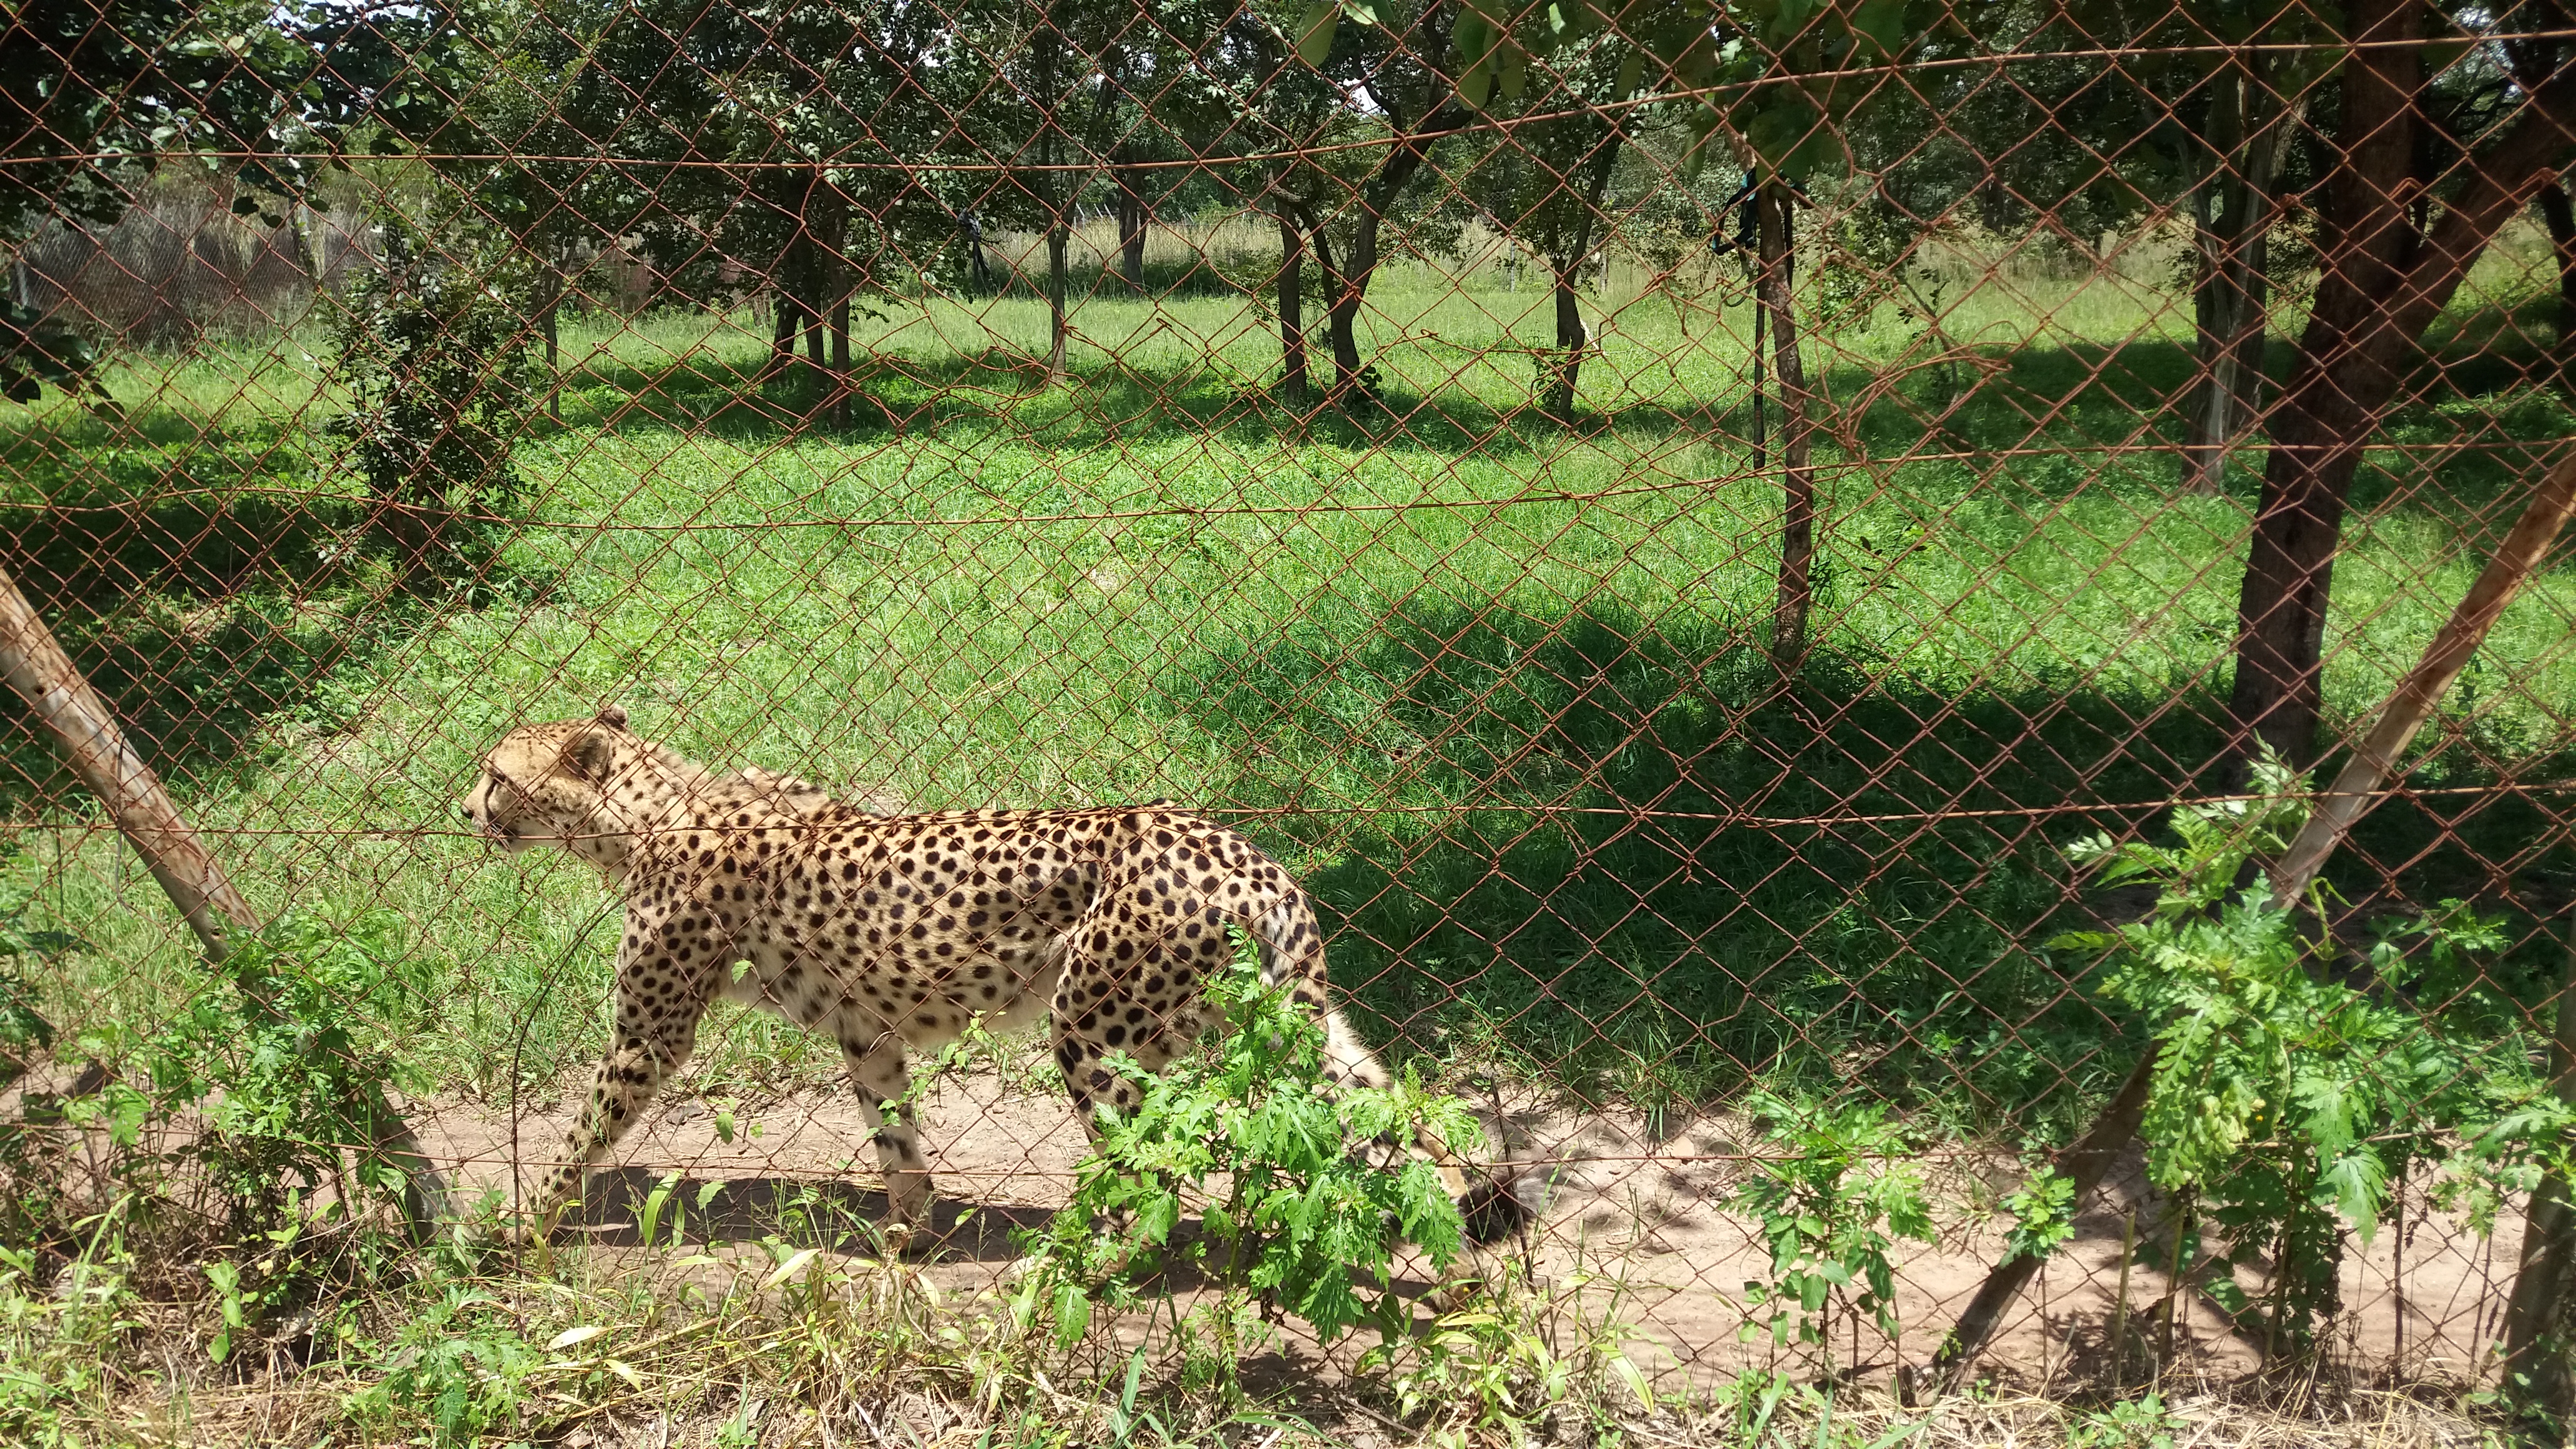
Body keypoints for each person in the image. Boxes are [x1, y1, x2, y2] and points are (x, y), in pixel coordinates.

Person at [958, 208, 994, 295]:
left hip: (975, 237)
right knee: (977, 261)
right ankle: (980, 281)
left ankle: (981, 282)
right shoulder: (968, 217)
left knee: (978, 261)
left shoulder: (972, 220)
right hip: (974, 236)